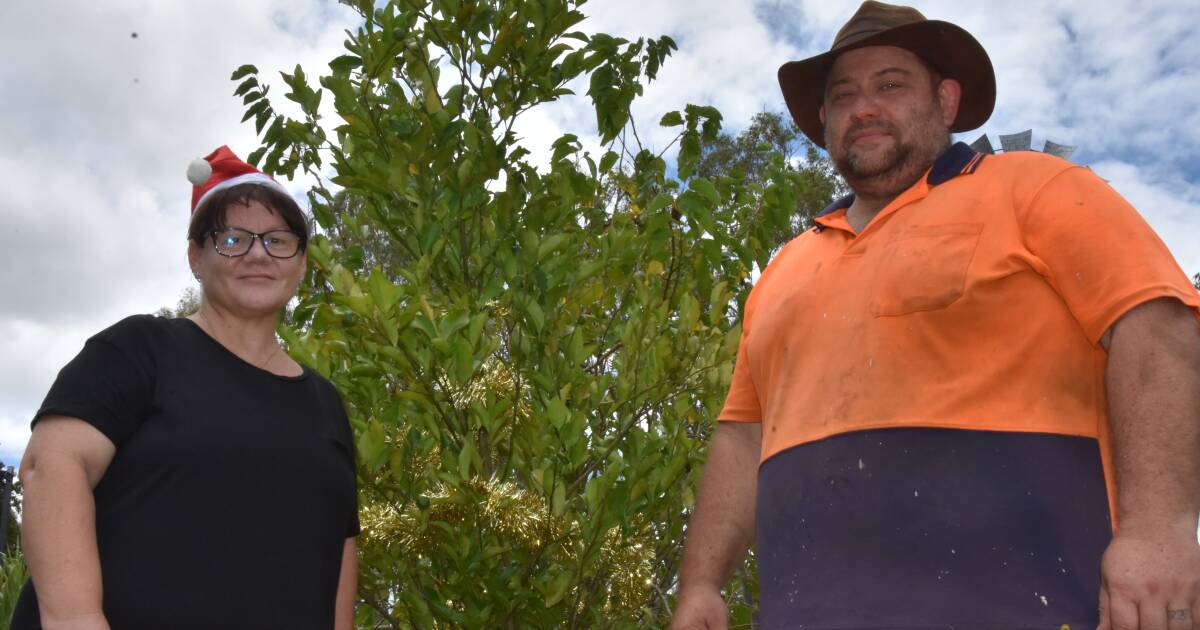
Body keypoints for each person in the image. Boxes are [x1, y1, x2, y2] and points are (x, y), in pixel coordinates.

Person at [672, 2, 1200, 629]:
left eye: (890, 85)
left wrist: (1159, 530)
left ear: (946, 101)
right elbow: (742, 436)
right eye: (843, 95)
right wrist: (701, 585)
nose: (863, 107)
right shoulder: (784, 268)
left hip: (1044, 607)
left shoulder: (1034, 186)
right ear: (824, 121)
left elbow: (1158, 325)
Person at [11, 146, 359, 630]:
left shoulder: (325, 405)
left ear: (300, 264)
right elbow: (50, 467)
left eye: (279, 240)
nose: (258, 253)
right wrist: (76, 619)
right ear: (196, 256)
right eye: (233, 239)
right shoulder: (139, 350)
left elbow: (338, 551)